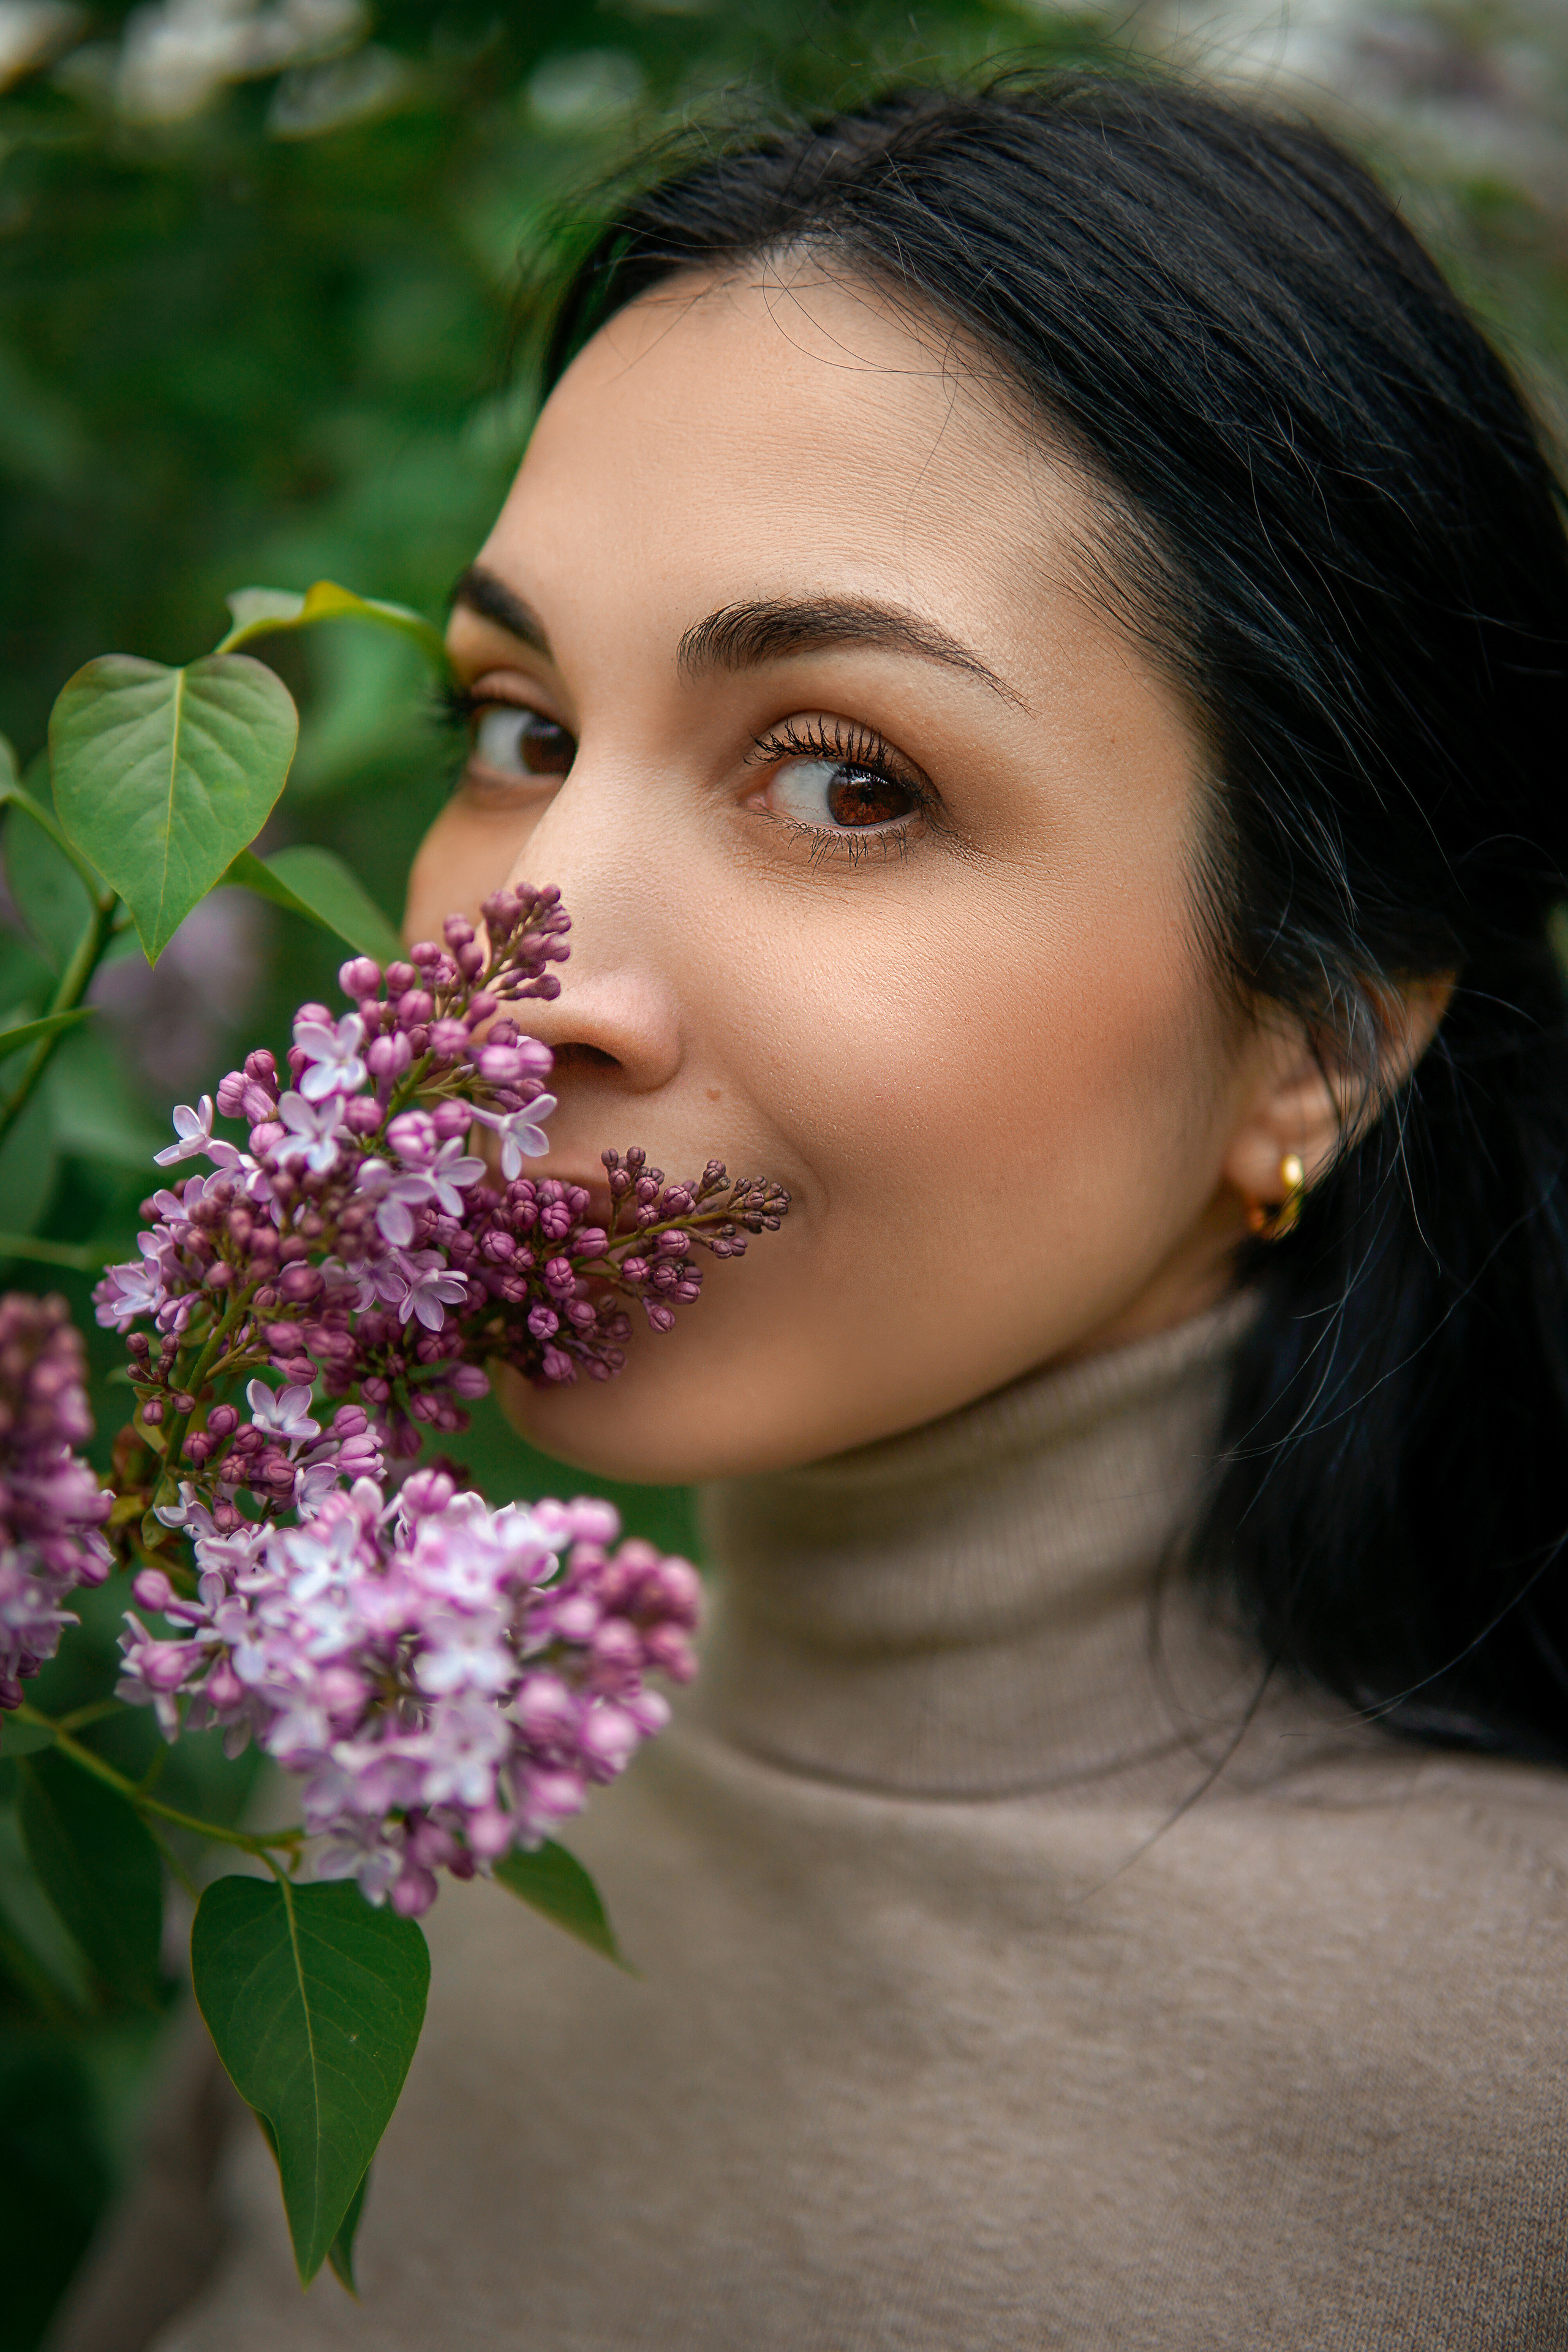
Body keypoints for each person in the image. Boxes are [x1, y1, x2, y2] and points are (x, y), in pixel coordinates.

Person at [51, 70, 1568, 2350]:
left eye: (848, 780)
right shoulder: (366, 1812)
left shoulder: (1508, 2113)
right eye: (518, 729)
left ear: (1322, 1039)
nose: (510, 989)